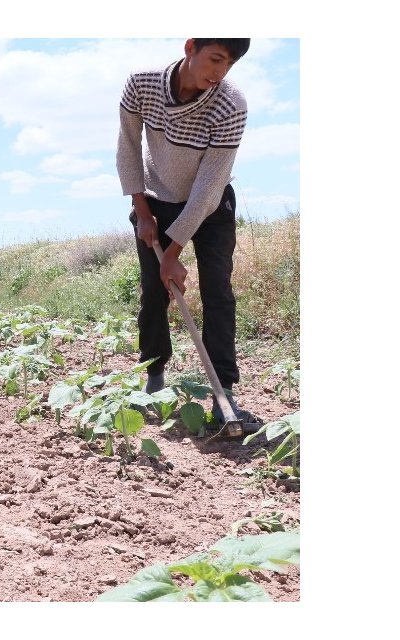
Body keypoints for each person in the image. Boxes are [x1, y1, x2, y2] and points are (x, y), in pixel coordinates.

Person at [116, 38, 263, 429]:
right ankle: (154, 378)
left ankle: (224, 394)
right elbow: (128, 148)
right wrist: (142, 208)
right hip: (155, 197)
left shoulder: (231, 105)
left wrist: (173, 252)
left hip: (209, 205)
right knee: (154, 292)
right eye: (215, 58)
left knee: (218, 293)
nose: (219, 72)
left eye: (229, 64)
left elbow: (209, 188)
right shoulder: (142, 85)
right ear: (191, 47)